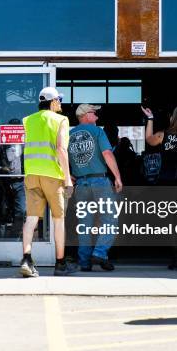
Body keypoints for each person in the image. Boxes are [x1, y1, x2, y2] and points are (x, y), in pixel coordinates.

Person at [20, 87, 76, 277]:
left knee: (31, 219)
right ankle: (60, 264)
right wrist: (67, 178)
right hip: (53, 175)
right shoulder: (61, 120)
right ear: (52, 102)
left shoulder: (27, 120)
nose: (60, 103)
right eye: (59, 100)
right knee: (58, 220)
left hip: (31, 174)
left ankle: (26, 260)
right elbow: (61, 149)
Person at [142, 104, 177, 270]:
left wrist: (150, 119)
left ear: (174, 117)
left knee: (171, 222)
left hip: (167, 183)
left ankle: (176, 257)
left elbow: (149, 139)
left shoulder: (163, 135)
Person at [68, 104, 123, 271]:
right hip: (99, 181)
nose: (97, 117)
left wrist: (67, 174)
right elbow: (107, 154)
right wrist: (118, 177)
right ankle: (99, 253)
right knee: (110, 220)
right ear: (85, 115)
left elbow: (60, 155)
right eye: (94, 113)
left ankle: (84, 262)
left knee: (85, 223)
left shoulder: (68, 135)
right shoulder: (98, 131)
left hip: (81, 184)